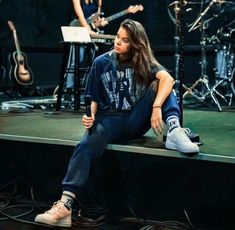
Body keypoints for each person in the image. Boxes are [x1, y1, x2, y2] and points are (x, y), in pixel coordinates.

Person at [35, 19, 199, 227]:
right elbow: (92, 98)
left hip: (136, 119)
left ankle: (174, 130)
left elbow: (168, 79)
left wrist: (156, 107)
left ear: (136, 44)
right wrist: (90, 115)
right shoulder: (101, 62)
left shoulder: (143, 61)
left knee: (161, 82)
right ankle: (65, 206)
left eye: (125, 40)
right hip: (109, 119)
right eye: (117, 38)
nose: (118, 43)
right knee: (86, 145)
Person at [65, 0, 108, 91]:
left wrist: (100, 23)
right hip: (78, 29)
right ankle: (69, 89)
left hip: (90, 32)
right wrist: (87, 29)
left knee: (91, 61)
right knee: (76, 59)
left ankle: (88, 89)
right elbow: (80, 16)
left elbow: (95, 21)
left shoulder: (98, 1)